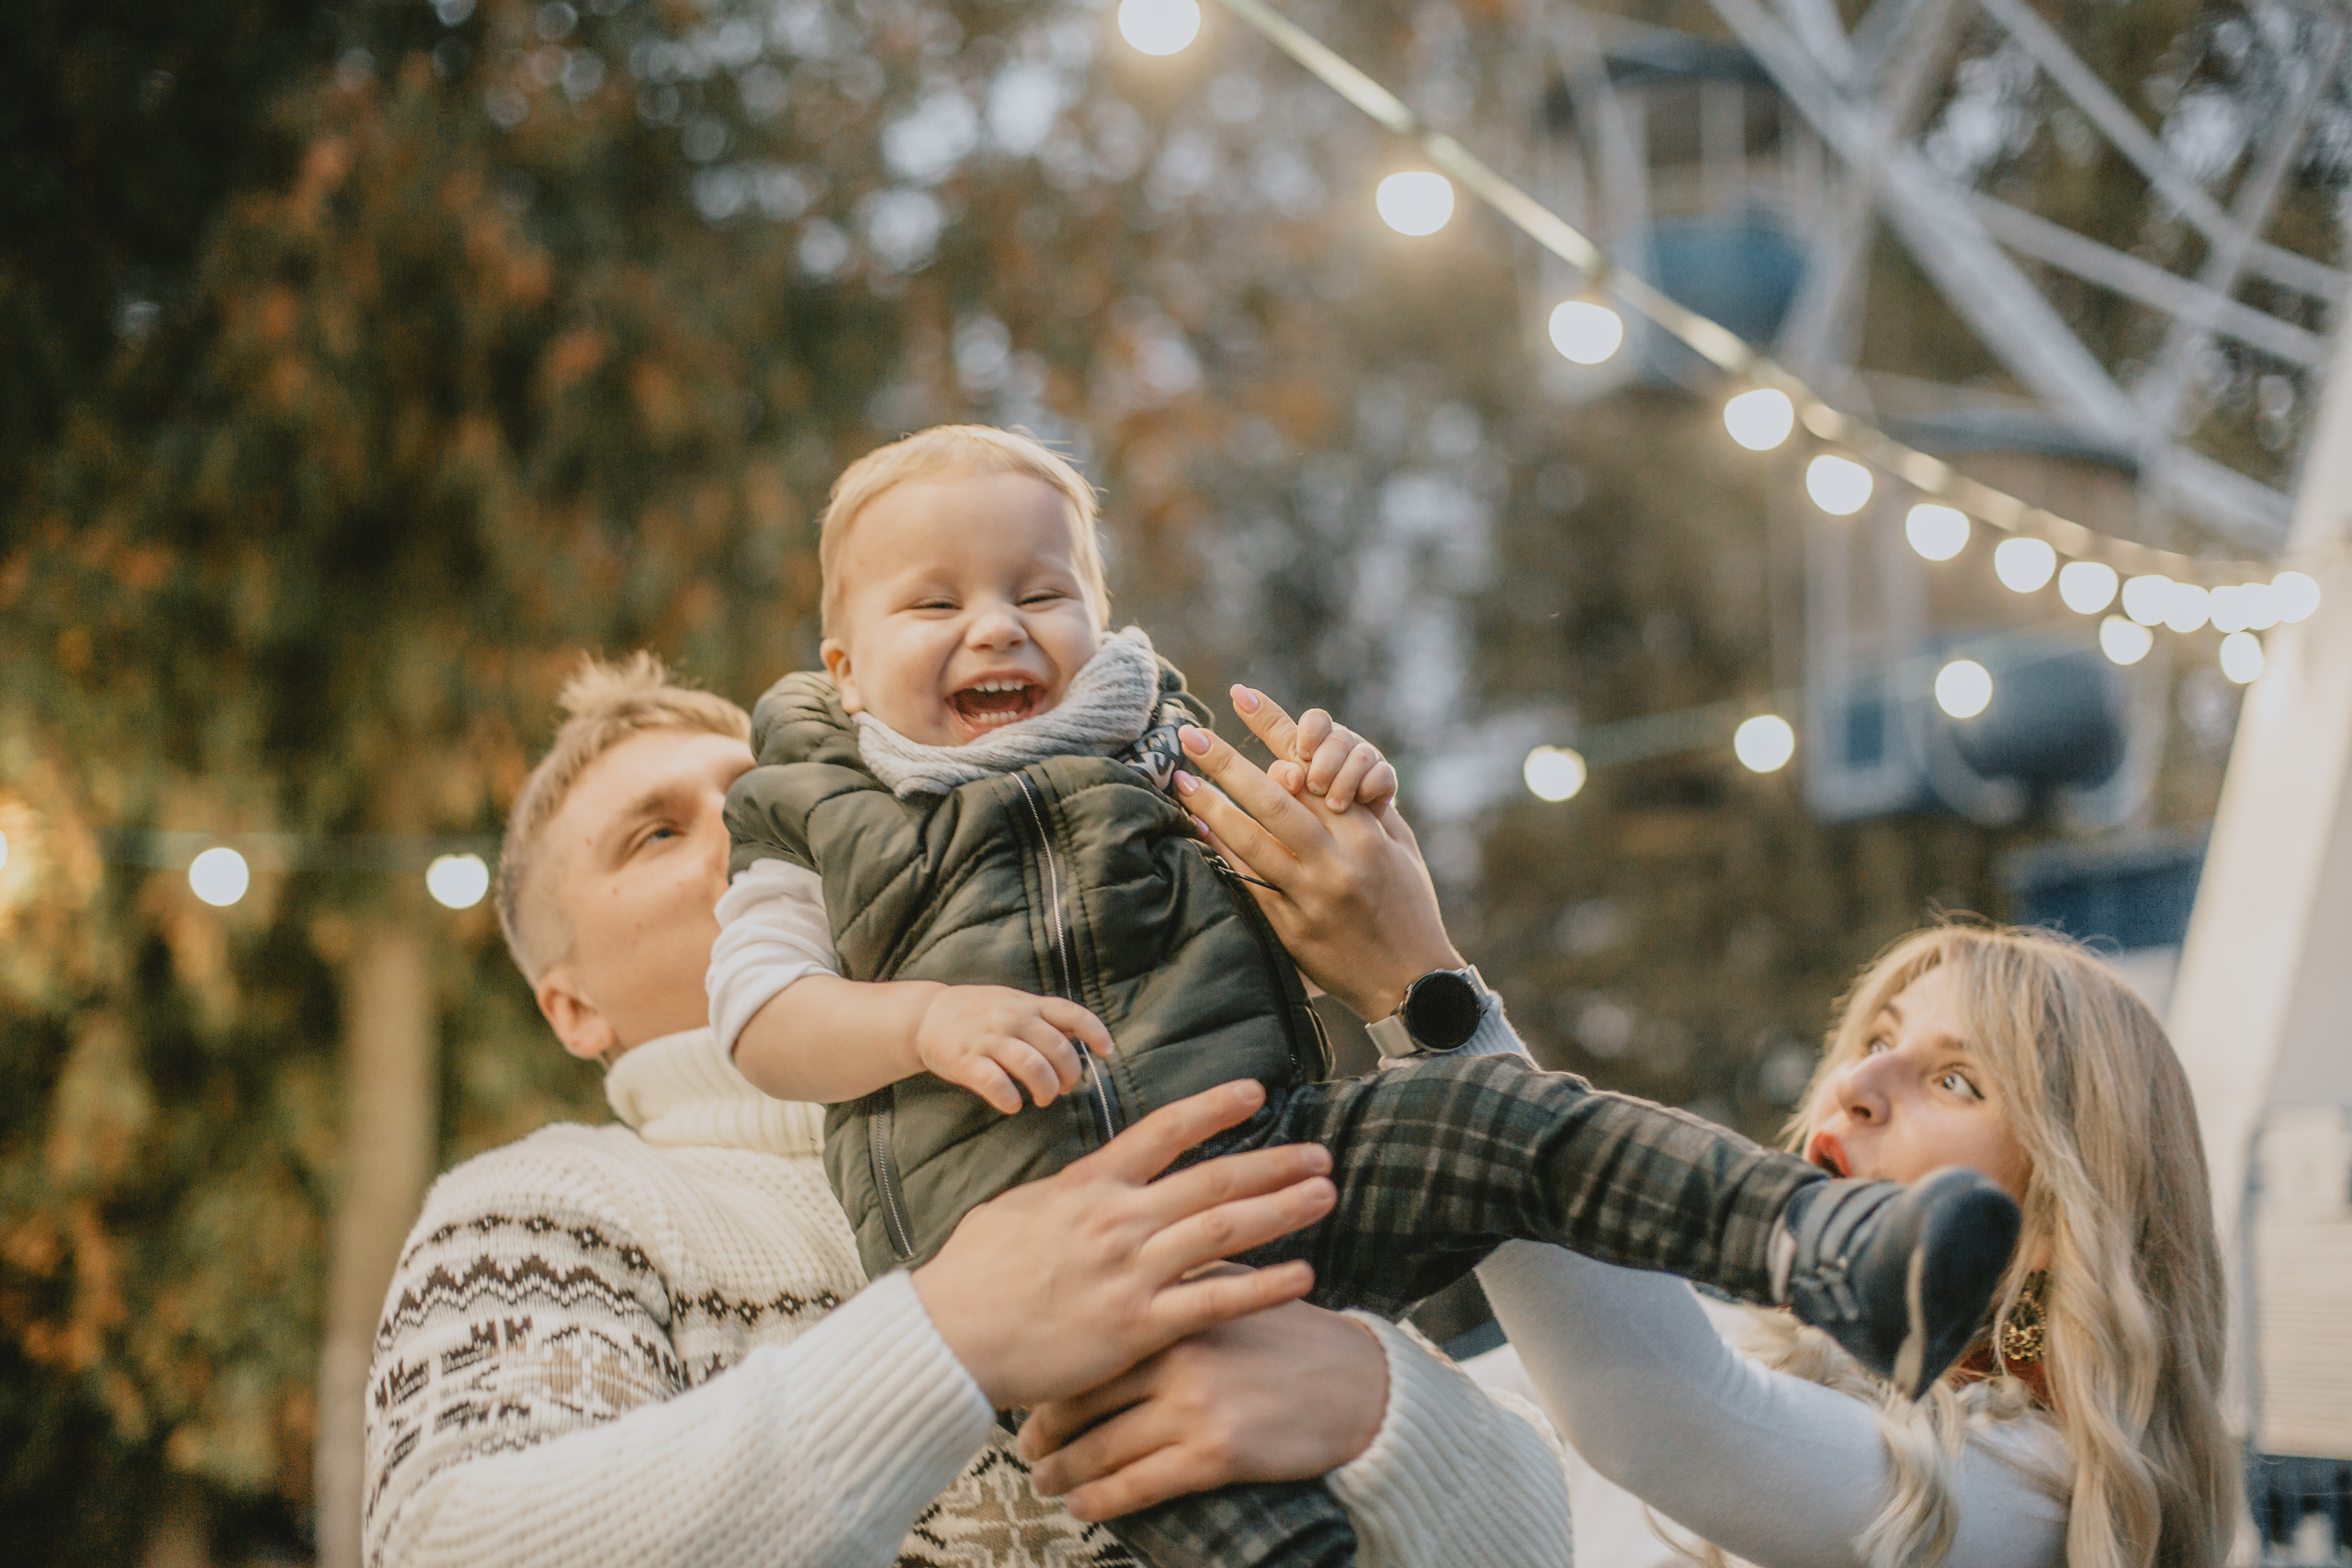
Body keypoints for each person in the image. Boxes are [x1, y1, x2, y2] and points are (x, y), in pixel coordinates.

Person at [709, 423, 2022, 1568]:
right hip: (1058, 1271)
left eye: (1039, 591)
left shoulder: (1156, 748)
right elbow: (763, 1017)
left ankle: (1835, 1244)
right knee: (1223, 1496)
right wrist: (921, 1022)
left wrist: (1342, 797)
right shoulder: (815, 811)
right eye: (933, 605)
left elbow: (1307, 878)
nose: (994, 624)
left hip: (1279, 1146)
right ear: (840, 662)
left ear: (1097, 621)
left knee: (1510, 1125)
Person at [358, 655, 1575, 1568]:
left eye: (762, 790)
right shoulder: (549, 1204)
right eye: (655, 832)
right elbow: (449, 1538)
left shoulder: (1120, 1103)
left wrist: (1380, 1409)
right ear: (572, 1006)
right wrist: (945, 1334)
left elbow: (1548, 1528)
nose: (741, 828)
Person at [1058, 708, 2241, 1568]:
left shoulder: (2034, 1510)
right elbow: (1519, 1429)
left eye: (1954, 1076)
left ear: (2059, 1217)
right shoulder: (1738, 1334)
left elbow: (1669, 1423)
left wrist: (1419, 989)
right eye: (1874, 1037)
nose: (1860, 1082)